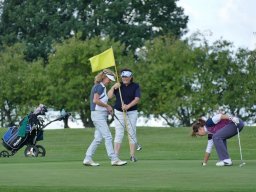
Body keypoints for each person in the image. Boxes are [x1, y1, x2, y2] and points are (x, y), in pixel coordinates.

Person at [83, 69, 127, 166]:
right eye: (109, 79)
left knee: (98, 138)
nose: (110, 81)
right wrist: (107, 106)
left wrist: (106, 109)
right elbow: (95, 100)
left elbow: (101, 101)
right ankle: (114, 159)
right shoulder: (99, 87)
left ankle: (87, 158)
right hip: (97, 115)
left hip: (99, 115)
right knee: (108, 136)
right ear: (104, 77)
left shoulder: (101, 87)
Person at [108, 68, 141, 162]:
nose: (125, 78)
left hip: (132, 112)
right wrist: (113, 87)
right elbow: (109, 96)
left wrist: (128, 106)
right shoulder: (118, 86)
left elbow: (137, 99)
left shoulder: (135, 86)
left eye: (127, 77)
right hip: (119, 112)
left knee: (132, 132)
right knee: (119, 133)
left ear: (131, 77)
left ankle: (132, 156)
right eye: (123, 77)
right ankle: (115, 156)